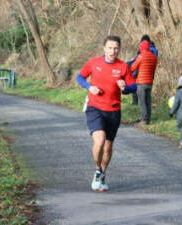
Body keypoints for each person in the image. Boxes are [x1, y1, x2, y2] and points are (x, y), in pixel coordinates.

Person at [77, 35, 136, 191]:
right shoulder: (94, 63)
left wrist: (125, 87)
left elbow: (133, 87)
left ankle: (102, 173)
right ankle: (97, 170)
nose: (113, 51)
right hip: (95, 108)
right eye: (110, 48)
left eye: (116, 48)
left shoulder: (123, 67)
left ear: (119, 49)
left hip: (114, 111)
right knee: (100, 140)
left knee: (108, 147)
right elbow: (80, 77)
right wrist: (89, 87)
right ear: (104, 48)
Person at [131, 40, 157, 125]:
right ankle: (148, 118)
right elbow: (153, 70)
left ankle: (143, 120)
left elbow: (133, 68)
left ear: (141, 48)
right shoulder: (154, 57)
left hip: (141, 82)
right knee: (148, 101)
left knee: (142, 101)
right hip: (150, 82)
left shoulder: (140, 56)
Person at [127, 34, 158, 105]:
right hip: (150, 73)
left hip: (141, 72)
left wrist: (130, 67)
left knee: (136, 86)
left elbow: (138, 59)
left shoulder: (144, 49)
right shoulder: (154, 50)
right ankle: (146, 107)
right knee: (148, 92)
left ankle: (135, 103)